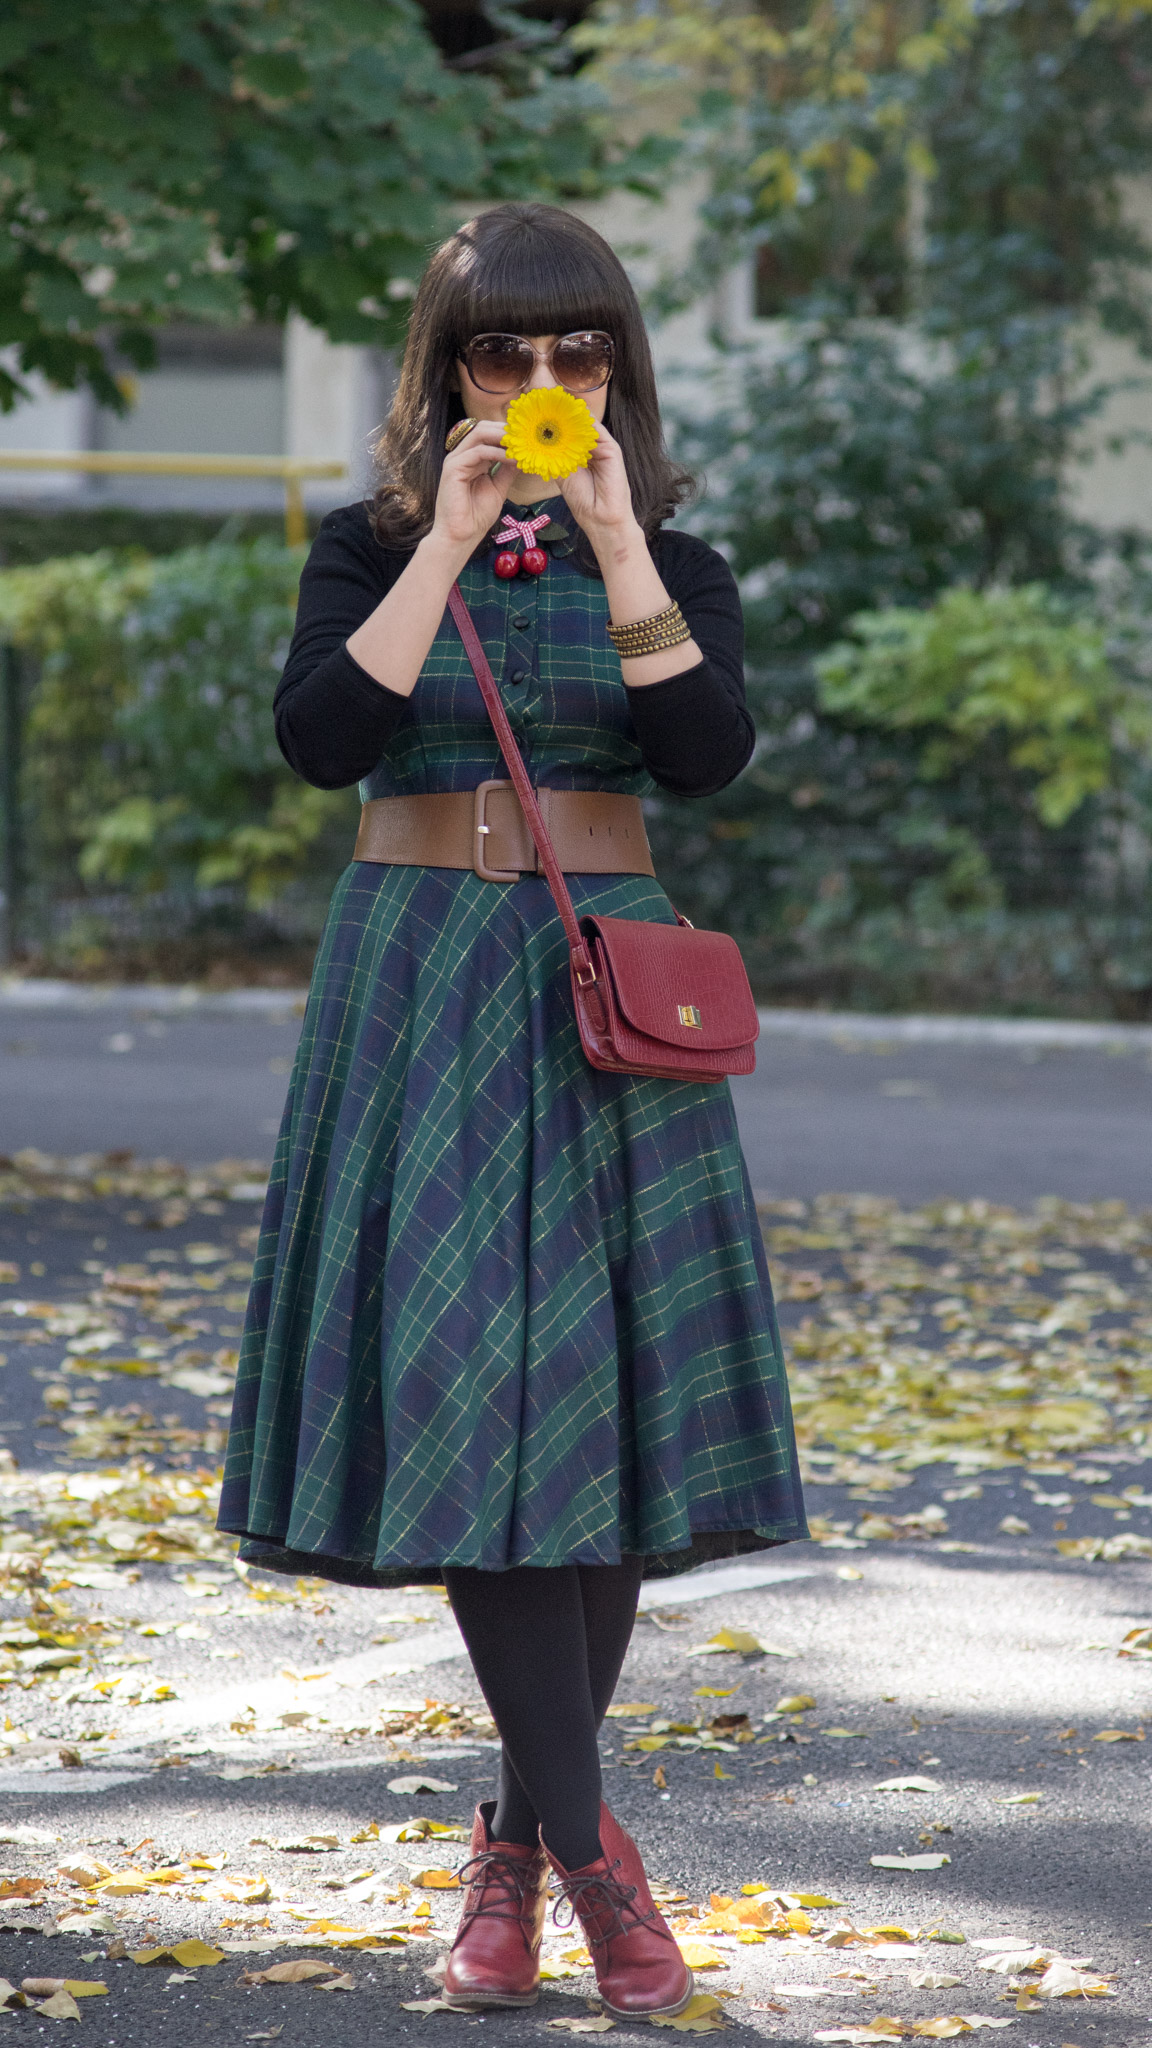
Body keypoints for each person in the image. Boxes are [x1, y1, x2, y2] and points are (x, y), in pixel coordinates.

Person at [218, 201, 806, 2021]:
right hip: (417, 989)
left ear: (617, 366)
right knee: (475, 1391)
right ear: (447, 367)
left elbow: (706, 756)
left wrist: (620, 539)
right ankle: (595, 1868)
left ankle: (512, 1838)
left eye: (577, 354)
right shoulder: (366, 543)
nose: (541, 381)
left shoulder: (674, 555)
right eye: (502, 353)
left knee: (601, 1424)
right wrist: (450, 537)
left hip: (602, 994)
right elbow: (322, 738)